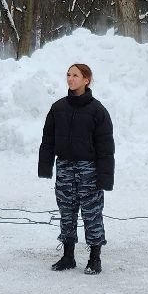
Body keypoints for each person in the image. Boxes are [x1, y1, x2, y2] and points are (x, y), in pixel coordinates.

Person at [37, 62, 115, 274]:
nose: (70, 79)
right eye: (68, 75)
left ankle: (94, 258)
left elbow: (106, 148)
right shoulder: (58, 108)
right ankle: (68, 256)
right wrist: (46, 167)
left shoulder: (98, 111)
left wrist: (105, 178)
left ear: (86, 80)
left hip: (88, 171)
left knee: (91, 214)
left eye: (76, 76)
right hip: (64, 168)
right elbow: (48, 140)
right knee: (66, 213)